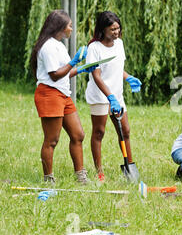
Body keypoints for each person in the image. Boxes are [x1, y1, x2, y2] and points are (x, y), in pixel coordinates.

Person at [30, 10, 98, 184]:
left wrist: (82, 68)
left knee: (78, 135)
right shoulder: (48, 47)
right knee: (52, 140)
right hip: (50, 94)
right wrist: (73, 62)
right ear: (59, 27)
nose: (71, 29)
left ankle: (81, 176)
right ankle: (48, 179)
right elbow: (54, 75)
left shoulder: (59, 44)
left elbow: (64, 72)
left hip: (63, 94)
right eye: (69, 25)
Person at [84, 11, 142, 182]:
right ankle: (99, 172)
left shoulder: (119, 44)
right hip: (101, 96)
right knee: (99, 132)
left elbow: (117, 69)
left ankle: (129, 165)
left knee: (125, 131)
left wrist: (129, 77)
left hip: (117, 95)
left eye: (118, 28)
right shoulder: (94, 48)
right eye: (112, 29)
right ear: (103, 30)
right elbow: (97, 75)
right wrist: (110, 97)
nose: (116, 32)